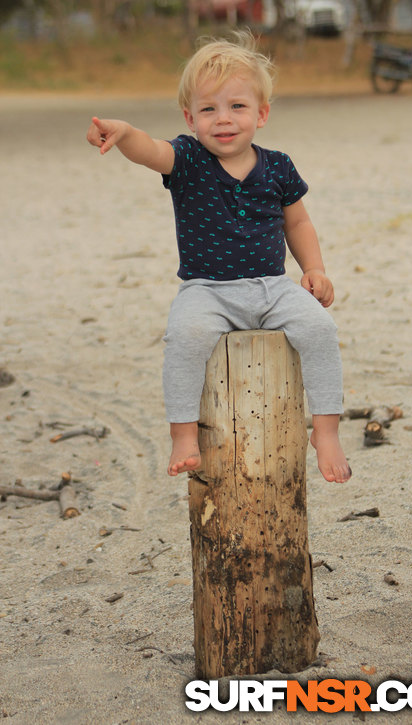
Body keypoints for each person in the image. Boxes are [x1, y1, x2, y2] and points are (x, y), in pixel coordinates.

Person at [86, 31, 352, 484]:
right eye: (208, 109)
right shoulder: (187, 160)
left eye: (237, 107)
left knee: (320, 329)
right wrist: (127, 133)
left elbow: (298, 223)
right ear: (190, 117)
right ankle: (184, 434)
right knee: (185, 337)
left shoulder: (280, 165)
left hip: (272, 286)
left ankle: (326, 431)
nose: (223, 119)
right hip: (206, 290)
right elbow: (150, 151)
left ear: (262, 113)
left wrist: (314, 270)